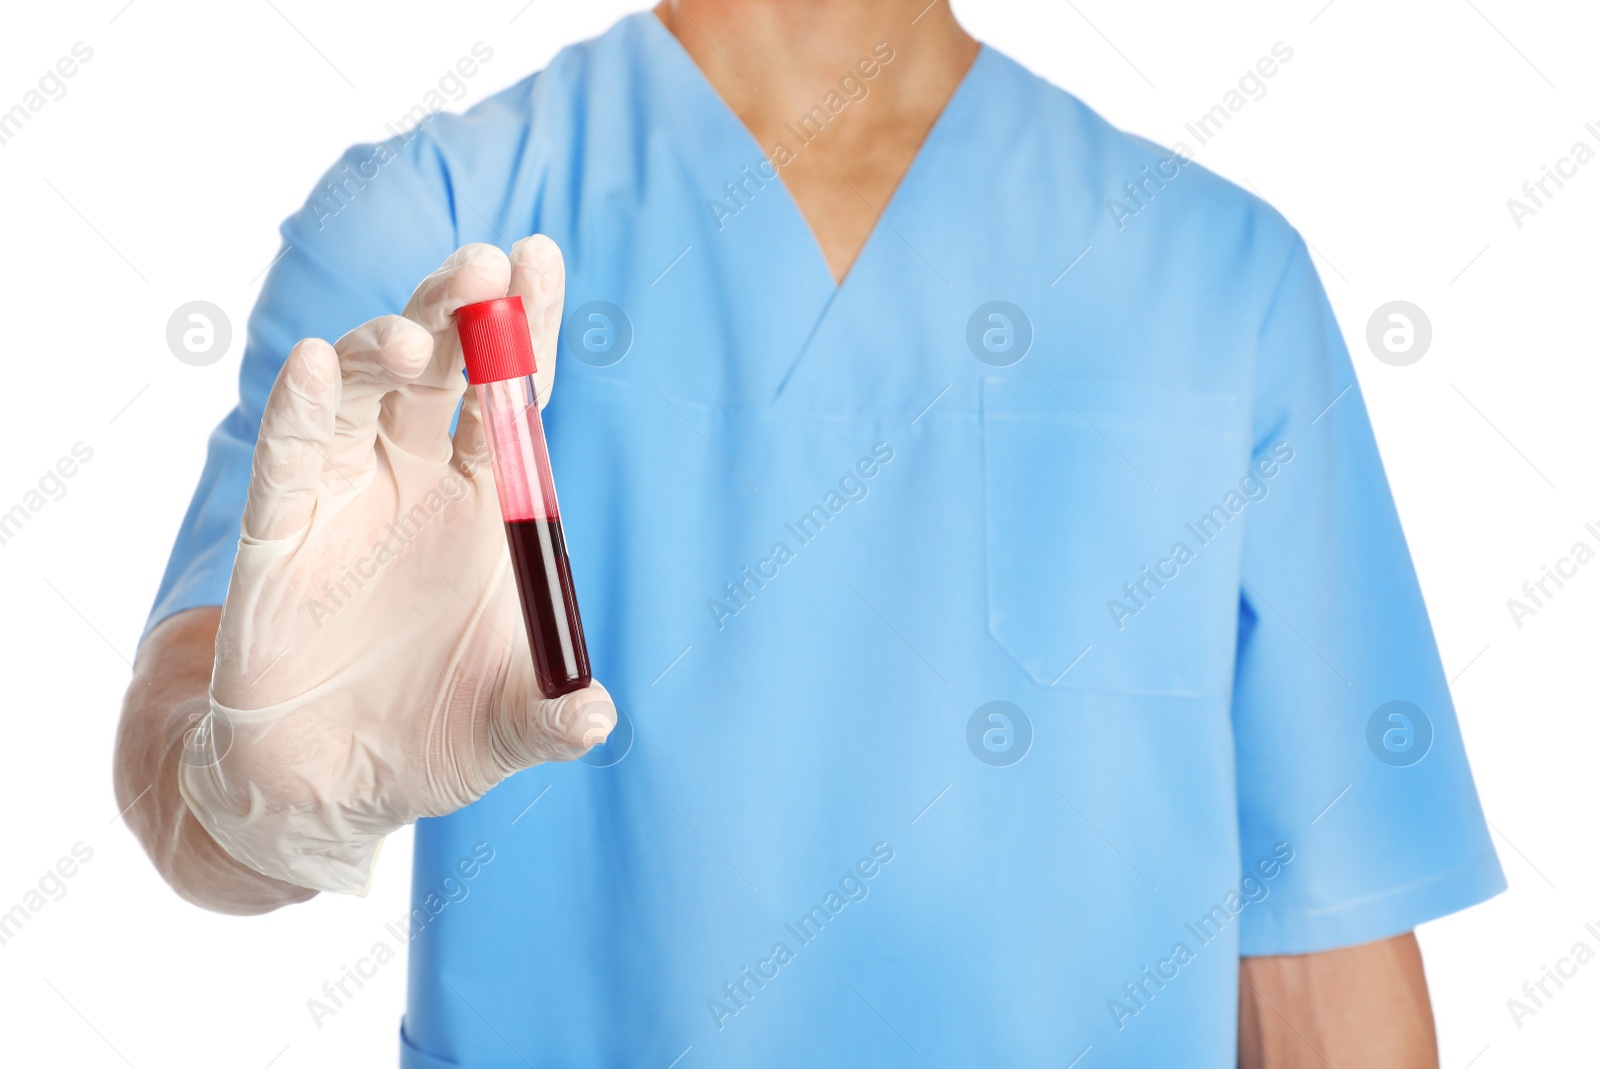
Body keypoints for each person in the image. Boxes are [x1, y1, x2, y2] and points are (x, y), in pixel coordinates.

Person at [113, 2, 1505, 1066]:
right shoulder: (436, 233)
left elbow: (1322, 954)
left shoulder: (1216, 272)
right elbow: (188, 734)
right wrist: (253, 785)